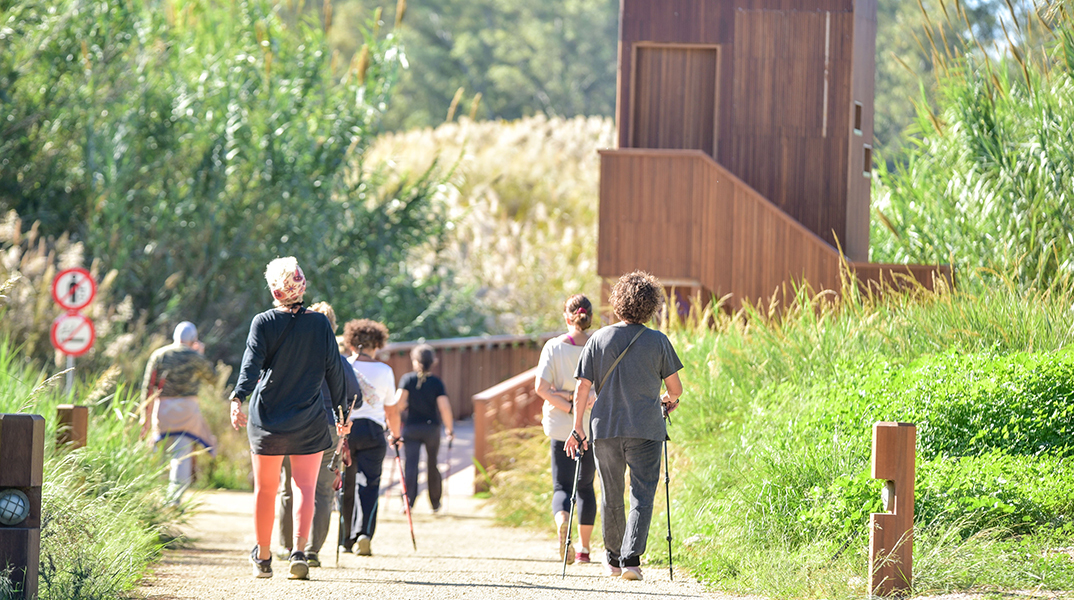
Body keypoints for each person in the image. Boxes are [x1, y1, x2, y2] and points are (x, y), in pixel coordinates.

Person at [229, 257, 352, 581]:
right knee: (305, 487)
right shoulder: (320, 324)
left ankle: (265, 558)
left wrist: (237, 398)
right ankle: (299, 553)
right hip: (308, 418)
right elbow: (334, 371)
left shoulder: (263, 322)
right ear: (302, 285)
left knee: (266, 490)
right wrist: (341, 413)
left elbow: (251, 366)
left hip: (267, 417)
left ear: (274, 289)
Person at [565, 271, 683, 582]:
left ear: (618, 303)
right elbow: (676, 389)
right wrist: (668, 400)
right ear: (650, 306)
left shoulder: (599, 339)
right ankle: (632, 560)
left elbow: (582, 388)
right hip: (645, 428)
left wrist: (578, 427)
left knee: (610, 492)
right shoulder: (658, 341)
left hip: (605, 428)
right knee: (642, 493)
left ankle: (612, 558)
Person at [276, 301, 362, 568]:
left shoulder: (292, 354)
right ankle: (311, 551)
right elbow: (354, 399)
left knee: (289, 487)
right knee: (322, 491)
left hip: (293, 425)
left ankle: (288, 545)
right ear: (333, 328)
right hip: (327, 428)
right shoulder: (341, 362)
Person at [535, 294, 597, 565]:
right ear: (589, 317)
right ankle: (583, 550)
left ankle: (563, 521)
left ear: (567, 316)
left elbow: (541, 388)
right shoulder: (598, 346)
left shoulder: (553, 347)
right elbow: (599, 390)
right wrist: (581, 408)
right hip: (591, 426)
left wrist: (568, 403)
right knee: (585, 487)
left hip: (561, 426)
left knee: (561, 485)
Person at [339, 318, 402, 556]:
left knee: (345, 484)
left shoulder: (344, 365)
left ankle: (344, 539)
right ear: (377, 344)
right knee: (370, 484)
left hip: (347, 429)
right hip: (374, 431)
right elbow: (391, 410)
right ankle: (363, 534)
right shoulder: (385, 371)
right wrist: (396, 435)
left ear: (351, 343)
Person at [141, 321, 218, 506]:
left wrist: (145, 415)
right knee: (181, 454)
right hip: (187, 411)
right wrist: (200, 355)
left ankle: (154, 498)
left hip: (163, 410)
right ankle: (173, 500)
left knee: (160, 453)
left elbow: (148, 386)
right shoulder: (195, 357)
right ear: (193, 339)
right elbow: (213, 378)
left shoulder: (159, 354)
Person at [394, 344, 454, 512]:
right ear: (433, 362)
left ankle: (408, 502)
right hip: (431, 428)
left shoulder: (408, 379)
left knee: (410, 465)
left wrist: (394, 422)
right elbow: (444, 407)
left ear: (415, 361)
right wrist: (450, 429)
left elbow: (398, 403)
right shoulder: (436, 382)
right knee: (432, 463)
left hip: (411, 427)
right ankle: (435, 502)